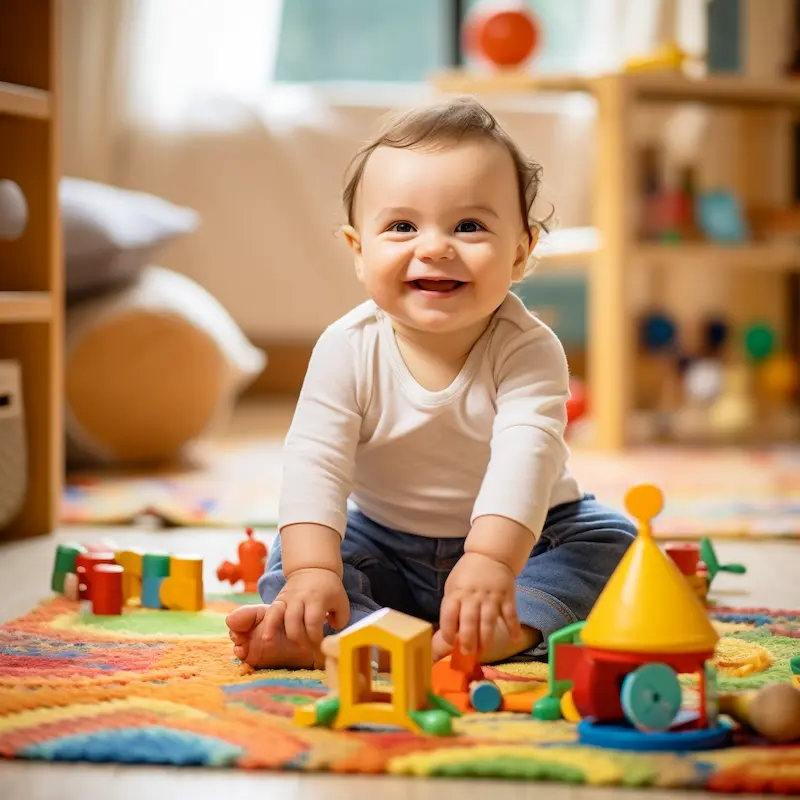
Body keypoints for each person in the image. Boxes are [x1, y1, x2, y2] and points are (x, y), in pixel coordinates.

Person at [226, 96, 636, 670]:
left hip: (526, 541)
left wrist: (492, 559)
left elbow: (528, 452)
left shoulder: (529, 348)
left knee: (614, 543)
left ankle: (506, 623)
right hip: (383, 540)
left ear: (520, 253)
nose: (435, 246)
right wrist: (313, 573)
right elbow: (315, 461)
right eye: (401, 226)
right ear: (358, 251)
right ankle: (344, 630)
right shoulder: (347, 348)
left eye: (469, 225)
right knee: (297, 557)